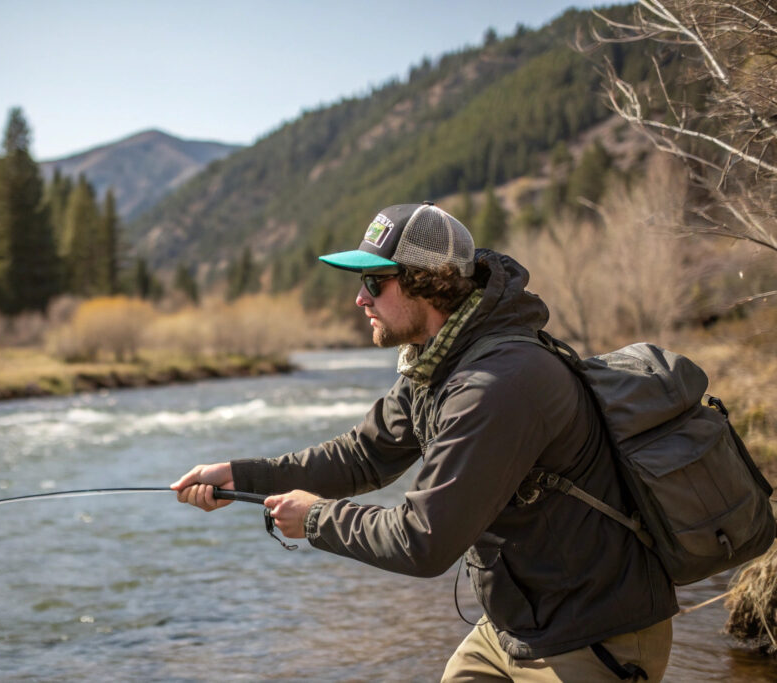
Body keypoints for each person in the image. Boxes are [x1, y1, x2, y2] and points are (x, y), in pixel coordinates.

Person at [171, 202, 676, 682]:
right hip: (520, 622)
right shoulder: (436, 363)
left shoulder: (496, 384)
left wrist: (316, 519)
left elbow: (424, 541)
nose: (360, 299)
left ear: (426, 282)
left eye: (374, 281)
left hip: (595, 635)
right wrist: (242, 476)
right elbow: (362, 455)